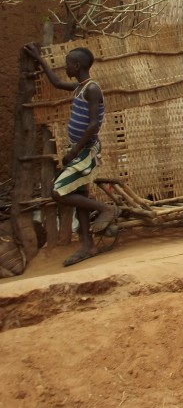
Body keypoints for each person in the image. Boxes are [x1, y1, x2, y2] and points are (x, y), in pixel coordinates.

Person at [24, 43, 118, 267]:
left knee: (58, 192)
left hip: (85, 151)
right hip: (78, 149)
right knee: (80, 196)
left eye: (67, 64)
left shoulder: (92, 89)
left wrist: (74, 151)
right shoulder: (79, 88)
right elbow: (56, 82)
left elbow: (94, 124)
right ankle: (87, 246)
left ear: (76, 66)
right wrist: (40, 59)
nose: (65, 68)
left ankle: (107, 209)